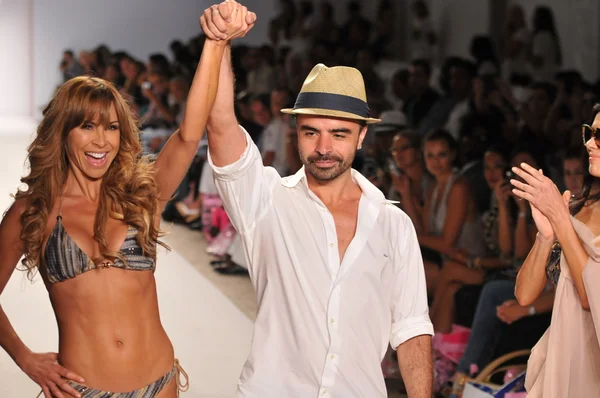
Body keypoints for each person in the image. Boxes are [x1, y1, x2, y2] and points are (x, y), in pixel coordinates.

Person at [0, 3, 255, 397]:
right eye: (87, 127)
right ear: (63, 132)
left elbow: (189, 133)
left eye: (112, 128)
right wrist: (25, 358)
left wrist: (216, 42)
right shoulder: (34, 209)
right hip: (83, 391)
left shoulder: (141, 194)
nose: (102, 141)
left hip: (159, 382)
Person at [200, 2, 434, 397]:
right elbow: (221, 123)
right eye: (311, 132)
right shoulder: (265, 200)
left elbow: (411, 329)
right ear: (295, 131)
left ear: (362, 136)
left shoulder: (394, 225)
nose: (324, 147)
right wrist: (219, 43)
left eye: (339, 134)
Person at [510, 104, 600, 396]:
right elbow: (524, 295)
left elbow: (591, 297)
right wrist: (546, 236)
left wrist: (560, 219)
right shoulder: (578, 206)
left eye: (599, 136)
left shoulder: (567, 213)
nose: (589, 142)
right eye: (589, 132)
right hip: (562, 354)